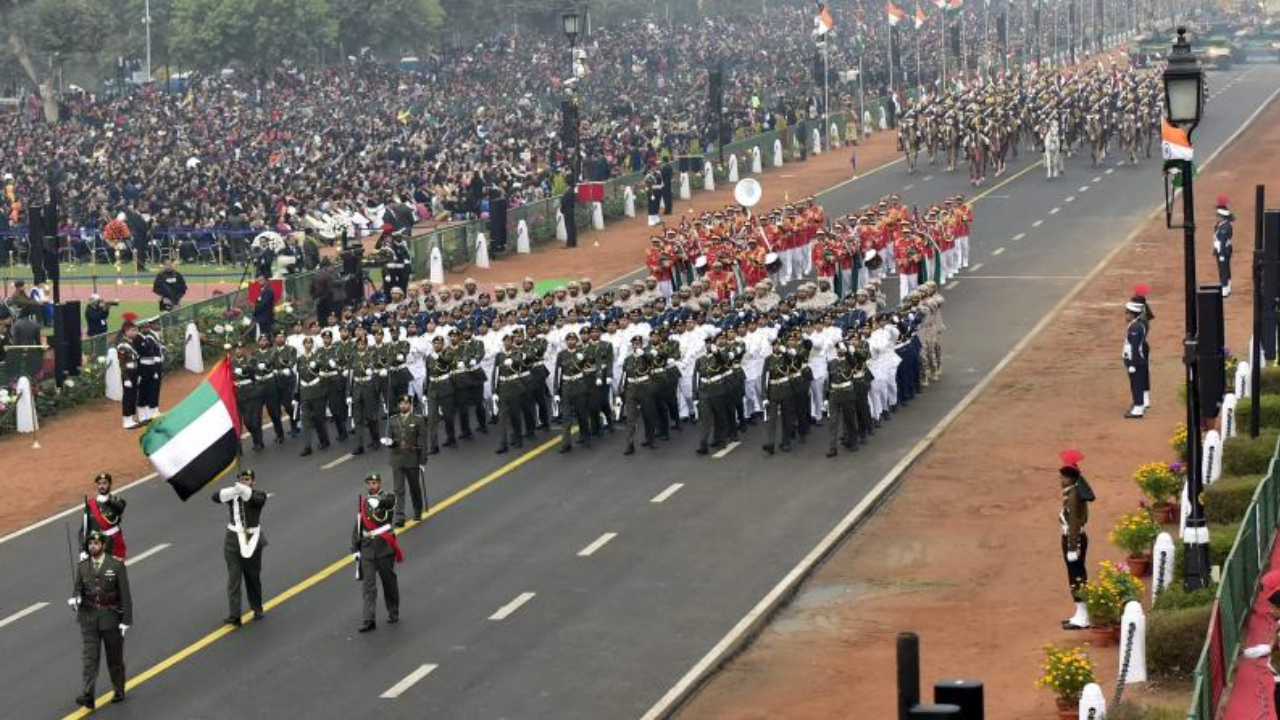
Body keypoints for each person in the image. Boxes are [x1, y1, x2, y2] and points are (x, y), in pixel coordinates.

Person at [70, 530, 133, 709]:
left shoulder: (116, 565)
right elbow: (77, 588)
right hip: (88, 618)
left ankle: (118, 689)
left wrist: (126, 621)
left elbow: (125, 595)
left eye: (96, 544)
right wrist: (75, 599)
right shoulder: (82, 566)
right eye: (90, 544)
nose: (93, 546)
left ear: (103, 546)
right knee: (89, 658)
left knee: (114, 657)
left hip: (110, 618)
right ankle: (88, 695)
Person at [212, 469, 267, 626]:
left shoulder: (259, 495)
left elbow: (256, 500)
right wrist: (233, 490)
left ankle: (257, 609)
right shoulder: (233, 496)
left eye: (247, 479)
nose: (244, 481)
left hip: (252, 539)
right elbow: (215, 497)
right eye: (242, 479)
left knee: (252, 577)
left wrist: (244, 490)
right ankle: (234, 614)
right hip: (233, 541)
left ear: (253, 481)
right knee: (233, 579)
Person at [352, 472, 402, 633]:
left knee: (389, 582)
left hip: (384, 547)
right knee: (369, 587)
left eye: (375, 483)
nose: (372, 486)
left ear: (379, 483)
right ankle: (369, 619)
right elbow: (358, 526)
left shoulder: (387, 497)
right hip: (367, 549)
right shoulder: (363, 501)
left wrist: (378, 501)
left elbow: (389, 502)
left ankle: (393, 611)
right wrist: (355, 549)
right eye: (369, 483)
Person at [1058, 449, 1093, 630]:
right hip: (1076, 537)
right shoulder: (1074, 491)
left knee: (1076, 576)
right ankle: (1080, 613)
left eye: (1064, 477)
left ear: (1071, 479)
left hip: (1074, 539)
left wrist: (1072, 547)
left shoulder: (1073, 496)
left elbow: (1073, 523)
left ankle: (1083, 616)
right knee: (1076, 575)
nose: (1061, 481)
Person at [384, 394, 429, 526]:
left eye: (406, 403)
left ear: (410, 405)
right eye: (401, 404)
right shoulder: (392, 420)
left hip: (412, 459)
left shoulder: (418, 420)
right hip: (397, 459)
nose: (403, 406)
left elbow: (422, 442)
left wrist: (422, 461)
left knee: (414, 487)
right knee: (398, 490)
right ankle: (399, 516)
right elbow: (388, 438)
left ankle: (417, 510)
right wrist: (388, 442)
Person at [81, 472, 127, 560]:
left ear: (110, 484)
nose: (102, 486)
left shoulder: (118, 501)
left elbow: (120, 508)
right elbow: (84, 529)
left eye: (104, 483)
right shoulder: (90, 505)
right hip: (98, 542)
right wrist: (83, 550)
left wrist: (108, 500)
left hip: (114, 541)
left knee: (116, 570)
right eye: (99, 484)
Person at [1123, 294, 1149, 419]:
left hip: (1135, 360)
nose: (1125, 314)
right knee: (1135, 383)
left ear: (1132, 314)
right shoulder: (1135, 324)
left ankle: (1138, 408)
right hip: (1136, 359)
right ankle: (1138, 405)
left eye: (1127, 312)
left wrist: (1133, 364)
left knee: (1136, 384)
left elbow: (1134, 347)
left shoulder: (1135, 327)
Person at [117, 321, 142, 429]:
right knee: (128, 396)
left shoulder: (132, 343)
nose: (135, 332)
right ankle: (126, 419)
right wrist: (126, 378)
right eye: (133, 330)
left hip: (134, 373)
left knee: (133, 396)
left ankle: (131, 418)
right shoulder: (123, 345)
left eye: (135, 330)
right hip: (127, 374)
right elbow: (122, 364)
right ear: (126, 331)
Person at [1213, 194, 1233, 298]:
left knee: (1223, 270)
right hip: (1224, 250)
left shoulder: (1224, 227)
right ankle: (1228, 287)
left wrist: (1221, 254)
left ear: (1222, 217)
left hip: (1223, 251)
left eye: (1218, 216)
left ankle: (1224, 289)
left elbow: (1222, 241)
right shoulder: (1222, 225)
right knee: (1226, 269)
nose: (1217, 217)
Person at [252, 272, 276, 338]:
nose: (260, 282)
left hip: (266, 318)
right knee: (264, 336)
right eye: (258, 280)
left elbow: (263, 304)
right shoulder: (262, 290)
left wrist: (255, 310)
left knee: (266, 336)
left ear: (265, 280)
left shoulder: (268, 291)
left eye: (261, 280)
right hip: (262, 318)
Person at [560, 181, 578, 249]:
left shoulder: (567, 192)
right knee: (572, 226)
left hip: (567, 210)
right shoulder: (572, 191)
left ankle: (569, 243)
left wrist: (562, 209)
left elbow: (563, 201)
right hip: (571, 210)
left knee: (569, 227)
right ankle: (573, 242)